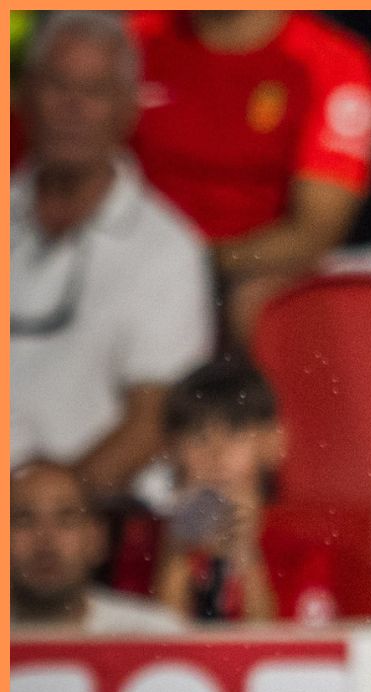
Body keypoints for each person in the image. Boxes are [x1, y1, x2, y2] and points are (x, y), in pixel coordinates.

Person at [10, 12, 215, 500]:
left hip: (86, 525)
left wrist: (38, 514)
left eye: (95, 92)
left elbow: (154, 420)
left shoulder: (170, 250)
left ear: (129, 109)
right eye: (58, 86)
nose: (72, 108)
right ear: (23, 95)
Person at [129, 11, 371, 341]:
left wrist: (191, 264)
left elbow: (314, 232)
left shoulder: (333, 60)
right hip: (135, 258)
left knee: (259, 304)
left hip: (246, 269)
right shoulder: (131, 40)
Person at [111, 362, 337, 626]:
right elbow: (151, 649)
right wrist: (177, 553)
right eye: (199, 436)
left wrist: (246, 556)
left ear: (274, 442)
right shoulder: (143, 544)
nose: (216, 454)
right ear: (171, 450)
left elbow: (279, 654)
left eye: (236, 433)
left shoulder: (302, 548)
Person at [12, 461, 184, 635]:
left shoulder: (156, 637)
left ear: (97, 539)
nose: (45, 540)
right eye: (23, 520)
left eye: (66, 520)